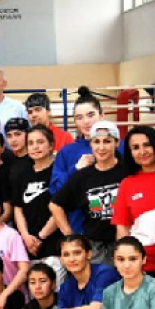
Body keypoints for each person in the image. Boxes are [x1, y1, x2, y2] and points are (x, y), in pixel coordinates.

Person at [50, 120, 127, 264]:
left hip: (125, 243)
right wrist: (70, 236)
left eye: (107, 141)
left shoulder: (127, 172)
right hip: (95, 247)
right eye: (96, 142)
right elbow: (55, 205)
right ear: (91, 144)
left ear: (117, 143)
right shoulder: (82, 176)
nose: (101, 147)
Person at [112, 125, 155, 275]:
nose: (142, 151)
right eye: (135, 148)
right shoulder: (127, 183)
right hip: (142, 265)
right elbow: (123, 228)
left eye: (147, 145)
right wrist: (125, 261)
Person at [49, 89, 105, 235]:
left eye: (90, 115)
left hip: (115, 230)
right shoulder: (67, 152)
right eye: (79, 117)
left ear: (102, 115)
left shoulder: (120, 147)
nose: (86, 122)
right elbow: (55, 191)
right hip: (80, 229)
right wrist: (76, 169)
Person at [12, 125, 64, 264]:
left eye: (40, 142)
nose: (35, 147)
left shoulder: (59, 173)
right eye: (31, 143)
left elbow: (61, 209)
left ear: (51, 145)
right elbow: (18, 208)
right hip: (28, 247)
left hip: (53, 247)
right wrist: (26, 236)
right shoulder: (22, 174)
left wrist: (41, 237)